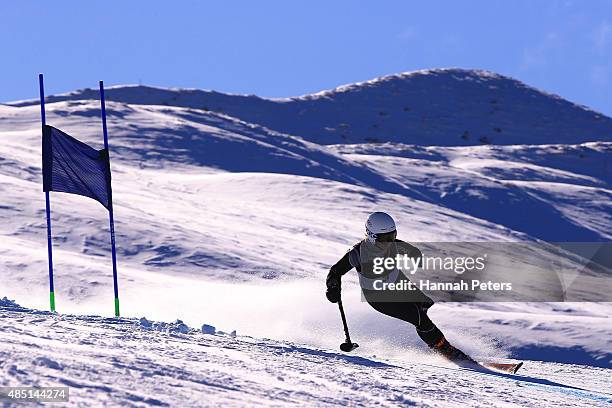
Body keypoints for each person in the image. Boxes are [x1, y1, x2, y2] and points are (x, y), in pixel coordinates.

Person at [325, 211, 476, 364]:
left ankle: (429, 337)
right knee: (419, 318)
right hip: (379, 297)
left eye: (393, 236)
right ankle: (445, 350)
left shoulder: (393, 245)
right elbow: (335, 271)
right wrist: (332, 287)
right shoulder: (357, 253)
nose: (390, 242)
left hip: (398, 283)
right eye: (385, 238)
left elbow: (412, 251)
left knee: (424, 304)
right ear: (372, 236)